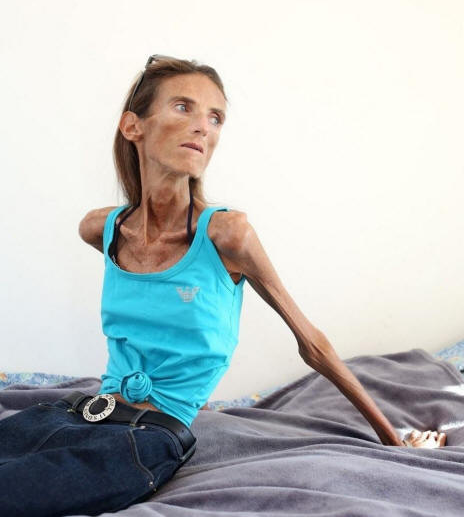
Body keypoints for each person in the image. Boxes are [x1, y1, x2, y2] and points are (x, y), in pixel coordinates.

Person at [0, 53, 446, 517]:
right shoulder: (103, 229)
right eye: (183, 107)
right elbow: (154, 308)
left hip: (145, 440)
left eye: (215, 118)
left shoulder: (228, 235)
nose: (202, 127)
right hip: (78, 412)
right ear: (133, 126)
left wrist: (396, 441)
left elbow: (313, 345)